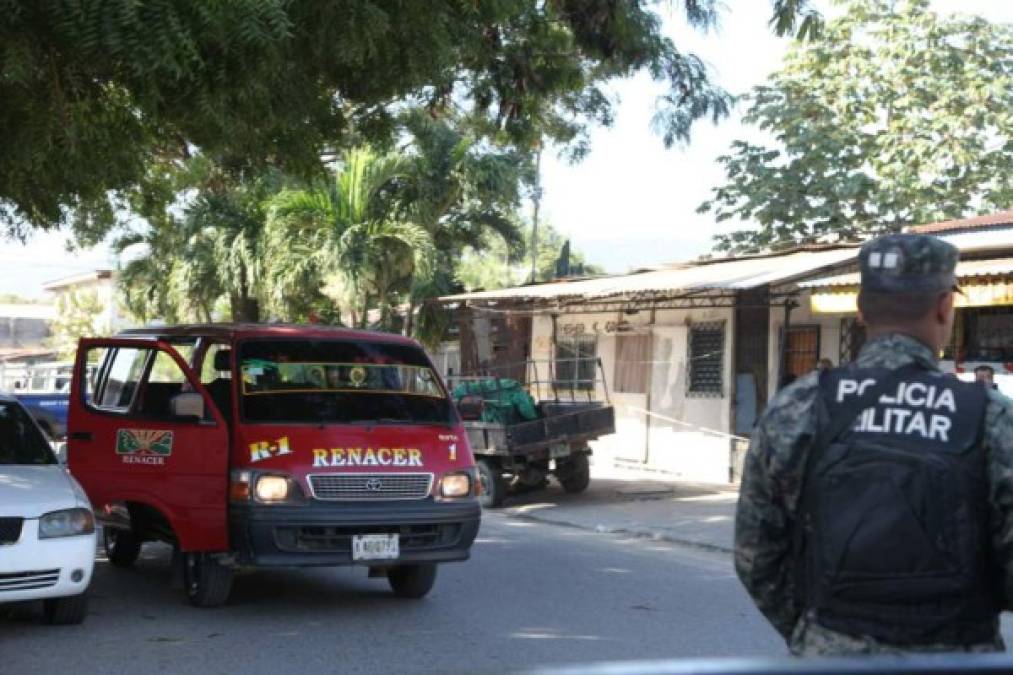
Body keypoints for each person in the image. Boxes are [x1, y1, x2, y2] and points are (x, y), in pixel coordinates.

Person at [735, 233, 1013, 656]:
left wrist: (820, 636)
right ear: (944, 308)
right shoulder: (991, 415)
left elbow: (756, 555)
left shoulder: (798, 406)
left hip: (830, 656)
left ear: (861, 310)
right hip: (959, 656)